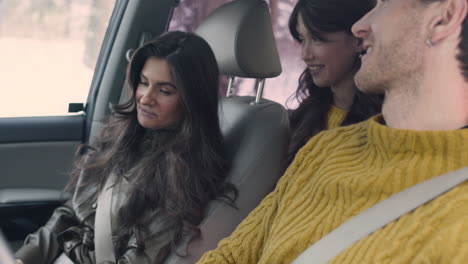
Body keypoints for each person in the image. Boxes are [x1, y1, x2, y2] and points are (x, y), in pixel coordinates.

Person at [198, 0, 468, 263]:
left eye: (384, 3)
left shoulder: (457, 223)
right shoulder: (323, 148)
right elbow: (232, 254)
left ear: (442, 18)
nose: (360, 27)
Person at [15, 31, 236, 264]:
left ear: (193, 100)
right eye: (143, 82)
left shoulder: (185, 174)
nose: (145, 98)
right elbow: (72, 212)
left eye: (164, 91)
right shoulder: (123, 134)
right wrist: (24, 259)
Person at [284, 0, 383, 168]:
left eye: (316, 39)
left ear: (358, 41)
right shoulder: (299, 119)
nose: (305, 54)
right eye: (302, 39)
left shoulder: (385, 123)